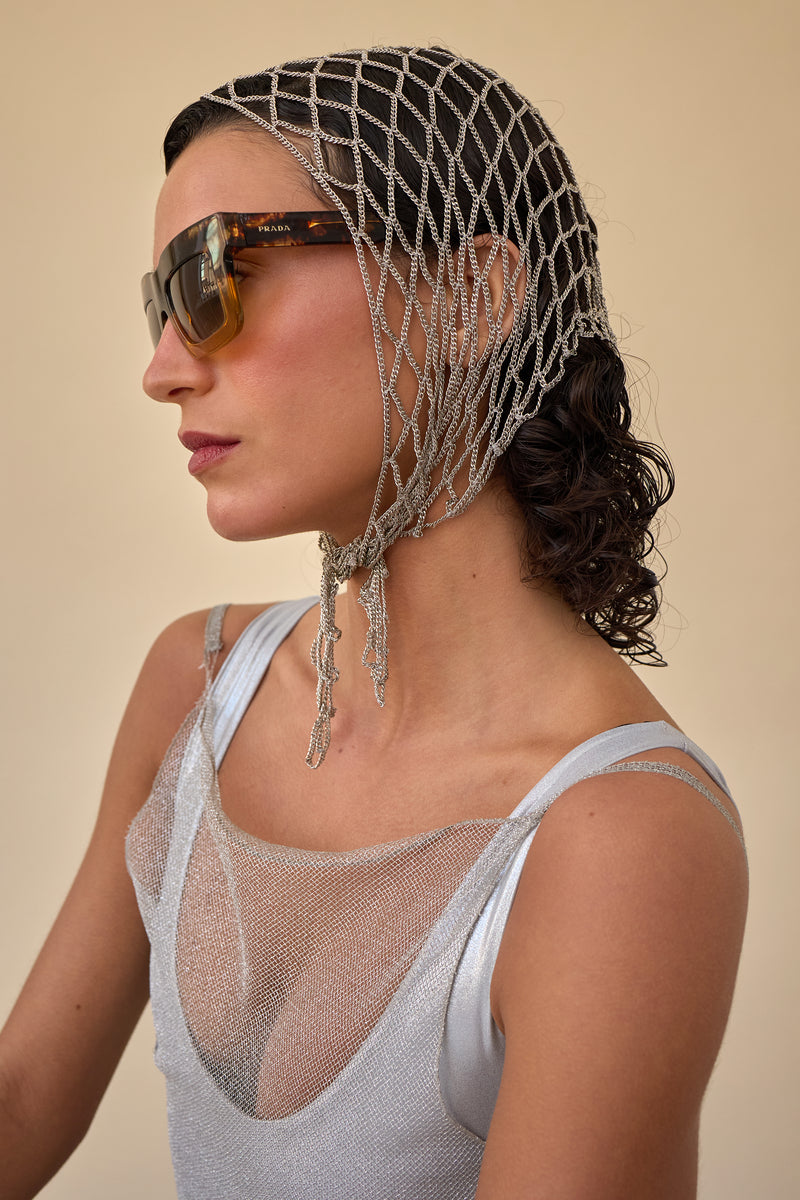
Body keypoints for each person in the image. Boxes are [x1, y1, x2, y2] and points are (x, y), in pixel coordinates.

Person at [0, 45, 748, 1200]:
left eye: (213, 276)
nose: (162, 368)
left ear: (472, 297)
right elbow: (19, 1105)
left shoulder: (616, 837)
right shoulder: (198, 683)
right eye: (162, 303)